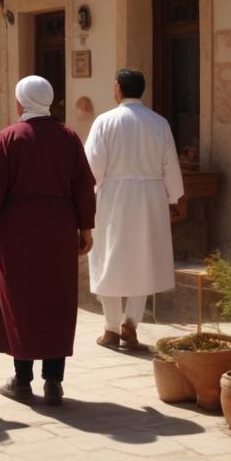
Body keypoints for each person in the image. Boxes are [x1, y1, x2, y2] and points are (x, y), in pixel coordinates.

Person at [0, 76, 97, 405]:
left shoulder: (9, 138)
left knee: (21, 299)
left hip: (18, 228)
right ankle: (54, 381)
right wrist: (85, 228)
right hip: (59, 228)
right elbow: (83, 185)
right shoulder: (68, 137)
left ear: (21, 102)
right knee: (55, 299)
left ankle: (22, 379)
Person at [84, 68, 184, 351]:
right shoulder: (159, 123)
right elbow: (170, 165)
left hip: (114, 197)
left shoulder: (105, 122)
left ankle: (111, 328)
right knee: (144, 258)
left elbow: (93, 166)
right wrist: (174, 197)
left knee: (108, 259)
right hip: (150, 198)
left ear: (117, 87)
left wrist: (86, 195)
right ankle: (131, 324)